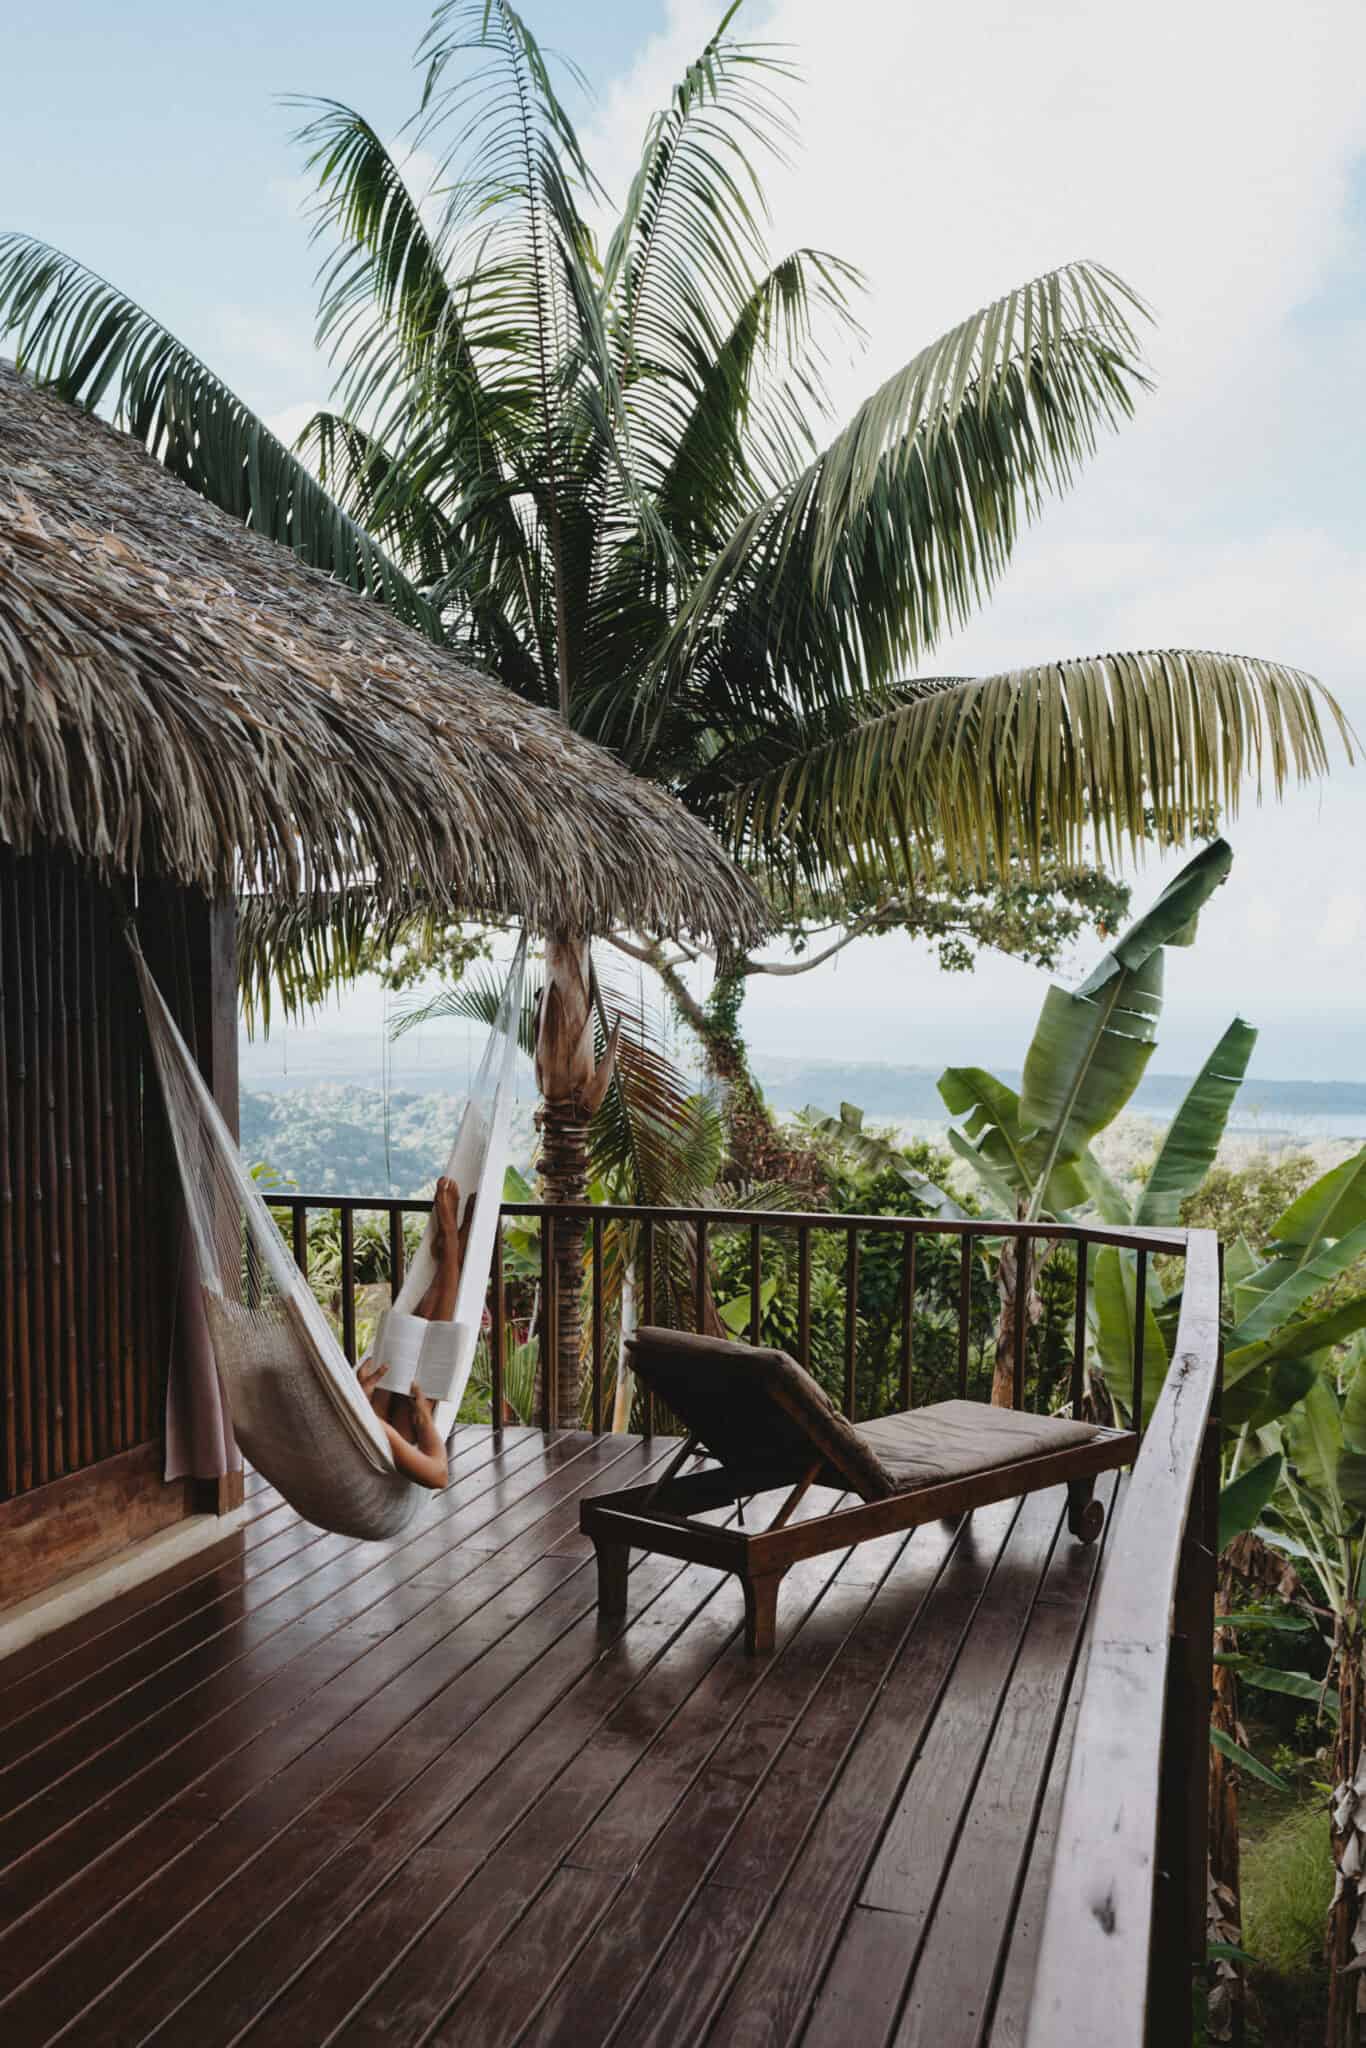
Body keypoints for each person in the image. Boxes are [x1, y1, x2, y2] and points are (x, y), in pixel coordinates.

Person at [358, 1175, 471, 1491]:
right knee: (423, 1368)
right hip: (387, 1443)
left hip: (370, 1432)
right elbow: (438, 1475)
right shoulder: (390, 1440)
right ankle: (451, 1248)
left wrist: (362, 1402)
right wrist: (424, 1420)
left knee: (413, 1336)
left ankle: (451, 1252)